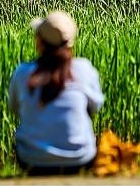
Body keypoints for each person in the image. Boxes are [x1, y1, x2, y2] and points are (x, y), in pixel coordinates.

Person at [8, 10, 105, 176]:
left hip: (32, 159)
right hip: (80, 159)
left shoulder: (23, 73)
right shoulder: (83, 69)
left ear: (40, 41)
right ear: (70, 43)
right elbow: (95, 107)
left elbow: (15, 109)